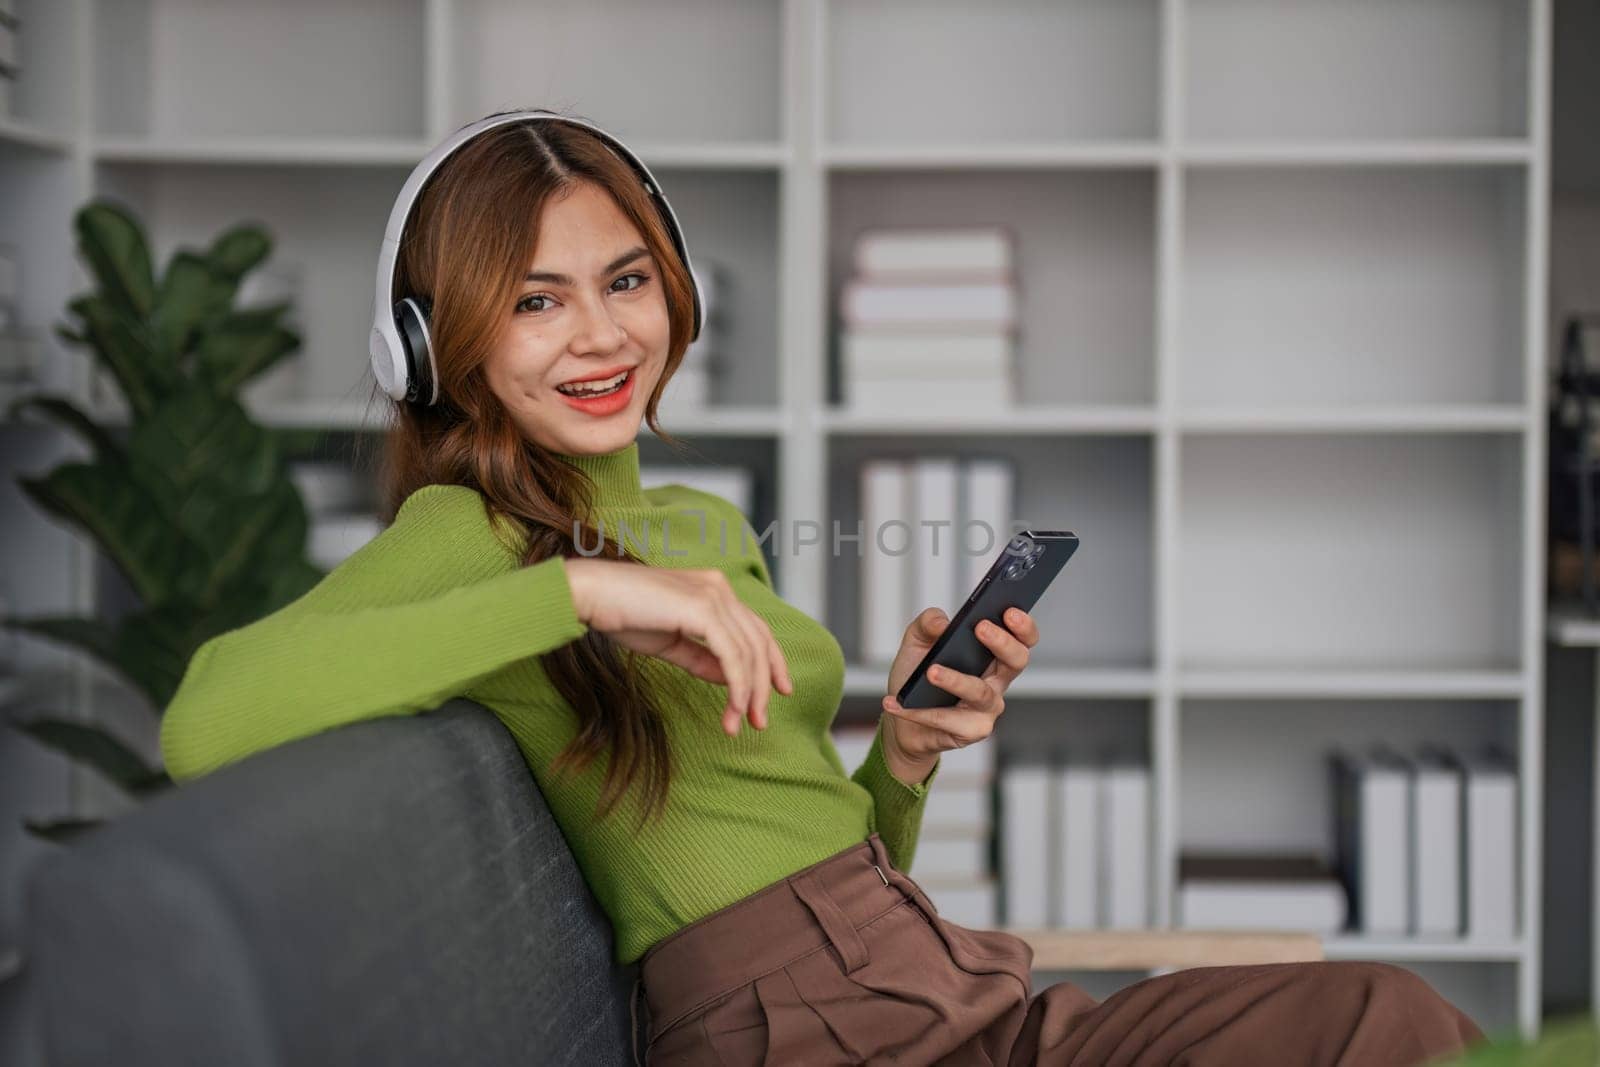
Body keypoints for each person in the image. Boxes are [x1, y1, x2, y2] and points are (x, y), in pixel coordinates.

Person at [158, 108, 1485, 1066]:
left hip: (954, 1000)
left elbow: (813, 853)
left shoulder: (702, 522)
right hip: (810, 1039)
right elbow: (202, 720)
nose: (604, 333)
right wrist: (580, 596)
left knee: (1389, 1021)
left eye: (624, 281)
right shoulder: (471, 533)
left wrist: (903, 757)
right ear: (436, 341)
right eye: (535, 302)